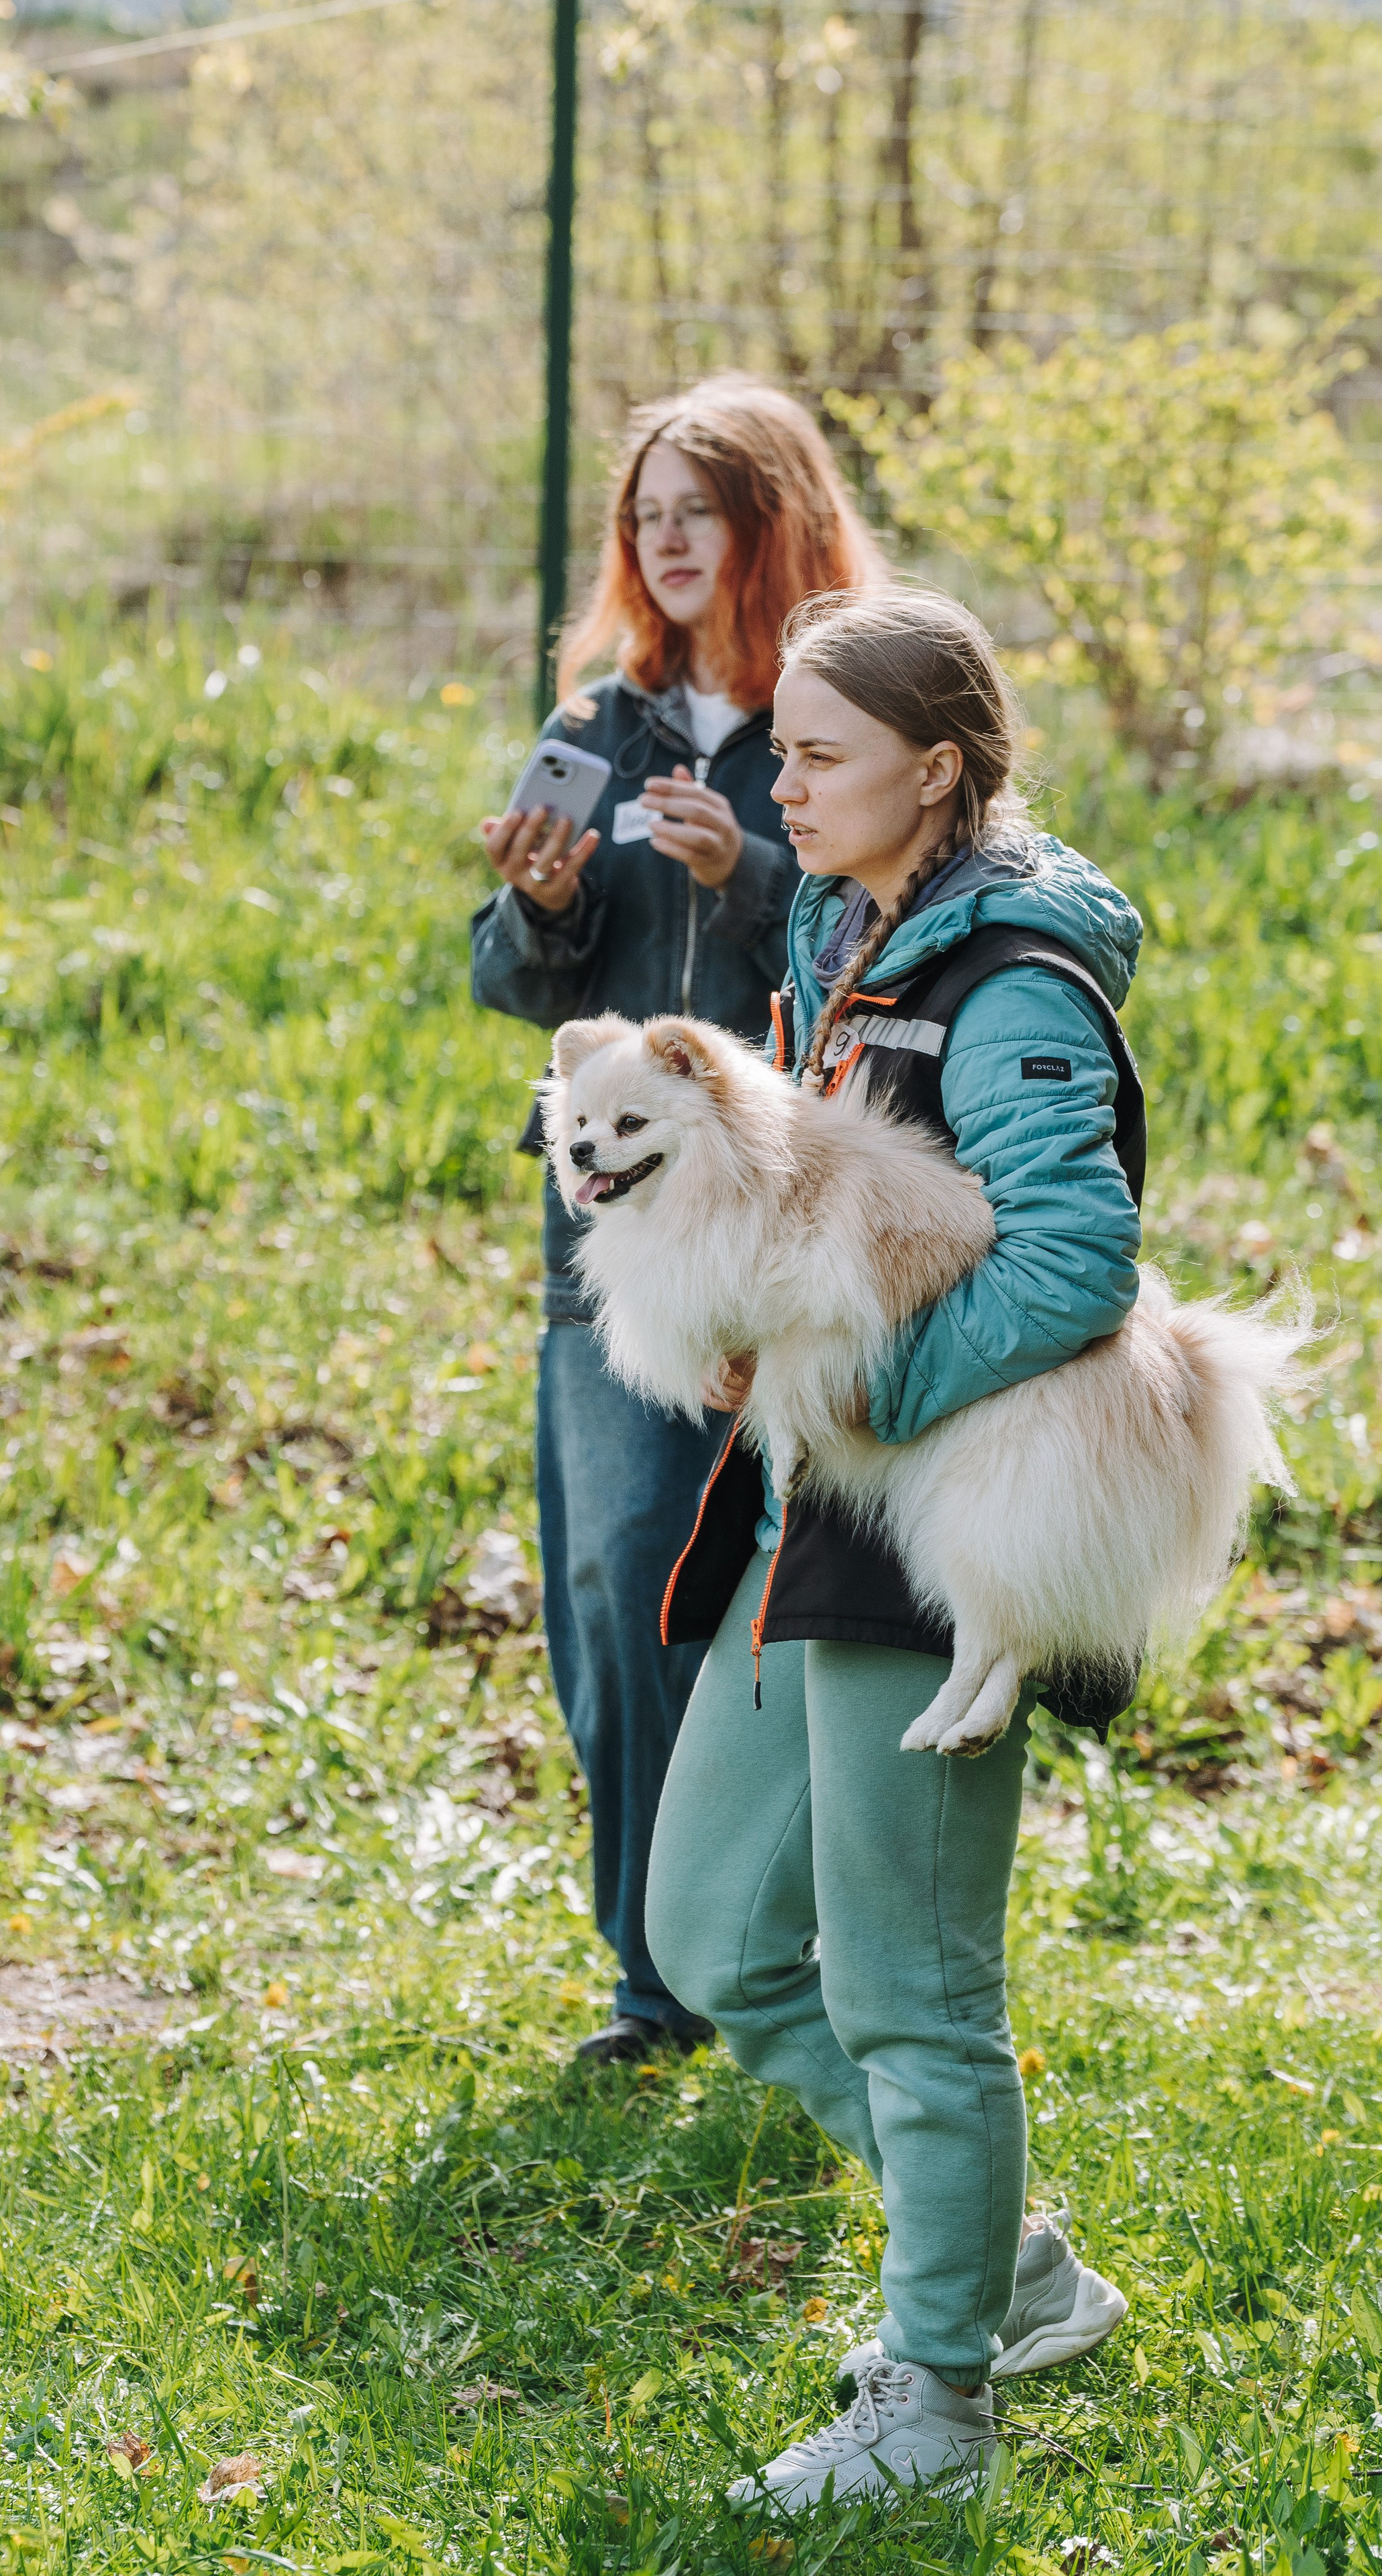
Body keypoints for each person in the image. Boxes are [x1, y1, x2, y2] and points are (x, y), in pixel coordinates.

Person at [644, 585, 1135, 2504]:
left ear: (938, 769)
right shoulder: (844, 929)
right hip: (800, 1521)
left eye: (821, 752)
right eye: (781, 743)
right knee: (716, 1937)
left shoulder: (1010, 978)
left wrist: (864, 1395)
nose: (787, 780)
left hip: (929, 1539)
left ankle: (935, 2408)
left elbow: (1077, 1256)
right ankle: (1009, 2265)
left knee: (913, 1995)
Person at [471, 377, 883, 2066]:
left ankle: (789, 1941)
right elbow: (507, 983)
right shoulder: (604, 719)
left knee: (806, 1588)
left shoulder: (846, 712)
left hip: (804, 1223)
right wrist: (542, 901)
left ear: (768, 520)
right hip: (622, 1234)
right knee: (616, 1572)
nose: (659, 537)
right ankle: (658, 1978)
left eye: (692, 508)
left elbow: (891, 931)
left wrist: (747, 881)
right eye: (642, 512)